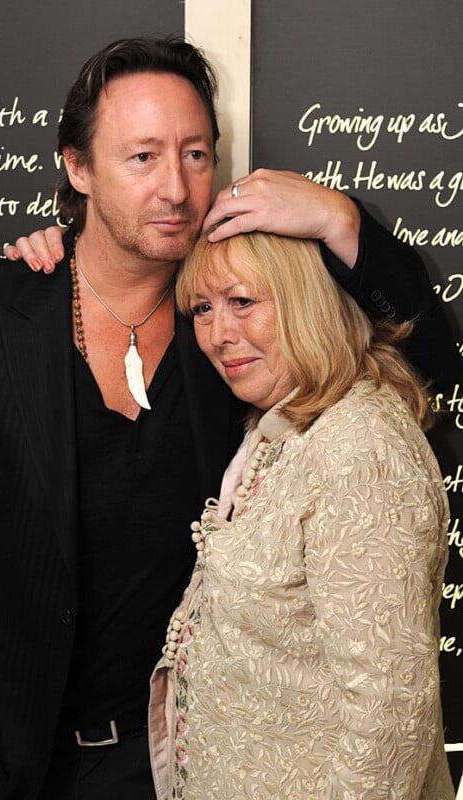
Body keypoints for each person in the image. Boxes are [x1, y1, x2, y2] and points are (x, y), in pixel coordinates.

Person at [0, 34, 457, 800]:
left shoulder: (241, 322)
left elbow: (433, 358)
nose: (176, 189)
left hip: (193, 769)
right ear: (78, 169)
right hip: (12, 768)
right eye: (141, 157)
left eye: (197, 155)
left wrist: (339, 217)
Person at [148, 229, 455, 800]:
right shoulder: (288, 424)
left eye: (242, 302)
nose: (218, 335)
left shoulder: (360, 450)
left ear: (306, 299)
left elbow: (389, 718)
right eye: (202, 309)